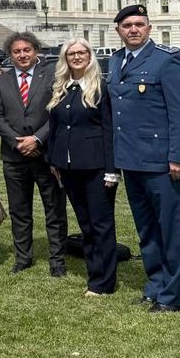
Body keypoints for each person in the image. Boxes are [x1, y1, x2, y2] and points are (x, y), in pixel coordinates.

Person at [109, 5, 180, 312]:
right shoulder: (117, 60)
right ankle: (156, 284)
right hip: (131, 159)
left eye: (139, 25)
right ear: (118, 29)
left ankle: (173, 296)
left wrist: (179, 157)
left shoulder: (167, 60)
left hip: (163, 162)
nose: (133, 30)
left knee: (171, 229)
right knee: (147, 230)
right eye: (127, 25)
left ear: (149, 27)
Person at [0, 31, 67, 276]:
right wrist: (17, 141)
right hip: (14, 157)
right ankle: (23, 258)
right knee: (19, 211)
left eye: (26, 50)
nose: (22, 55)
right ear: (10, 55)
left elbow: (58, 110)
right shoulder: (1, 81)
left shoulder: (51, 76)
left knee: (54, 209)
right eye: (16, 51)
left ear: (36, 51)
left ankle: (57, 261)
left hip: (46, 155)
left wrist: (37, 139)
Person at [46, 38, 119, 297]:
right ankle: (94, 272)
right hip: (69, 167)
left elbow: (110, 130)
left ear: (90, 56)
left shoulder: (100, 88)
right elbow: (56, 127)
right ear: (65, 59)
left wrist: (112, 170)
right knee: (86, 225)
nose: (77, 57)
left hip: (96, 167)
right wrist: (54, 160)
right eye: (71, 54)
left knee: (101, 225)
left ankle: (103, 282)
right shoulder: (63, 88)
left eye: (82, 53)